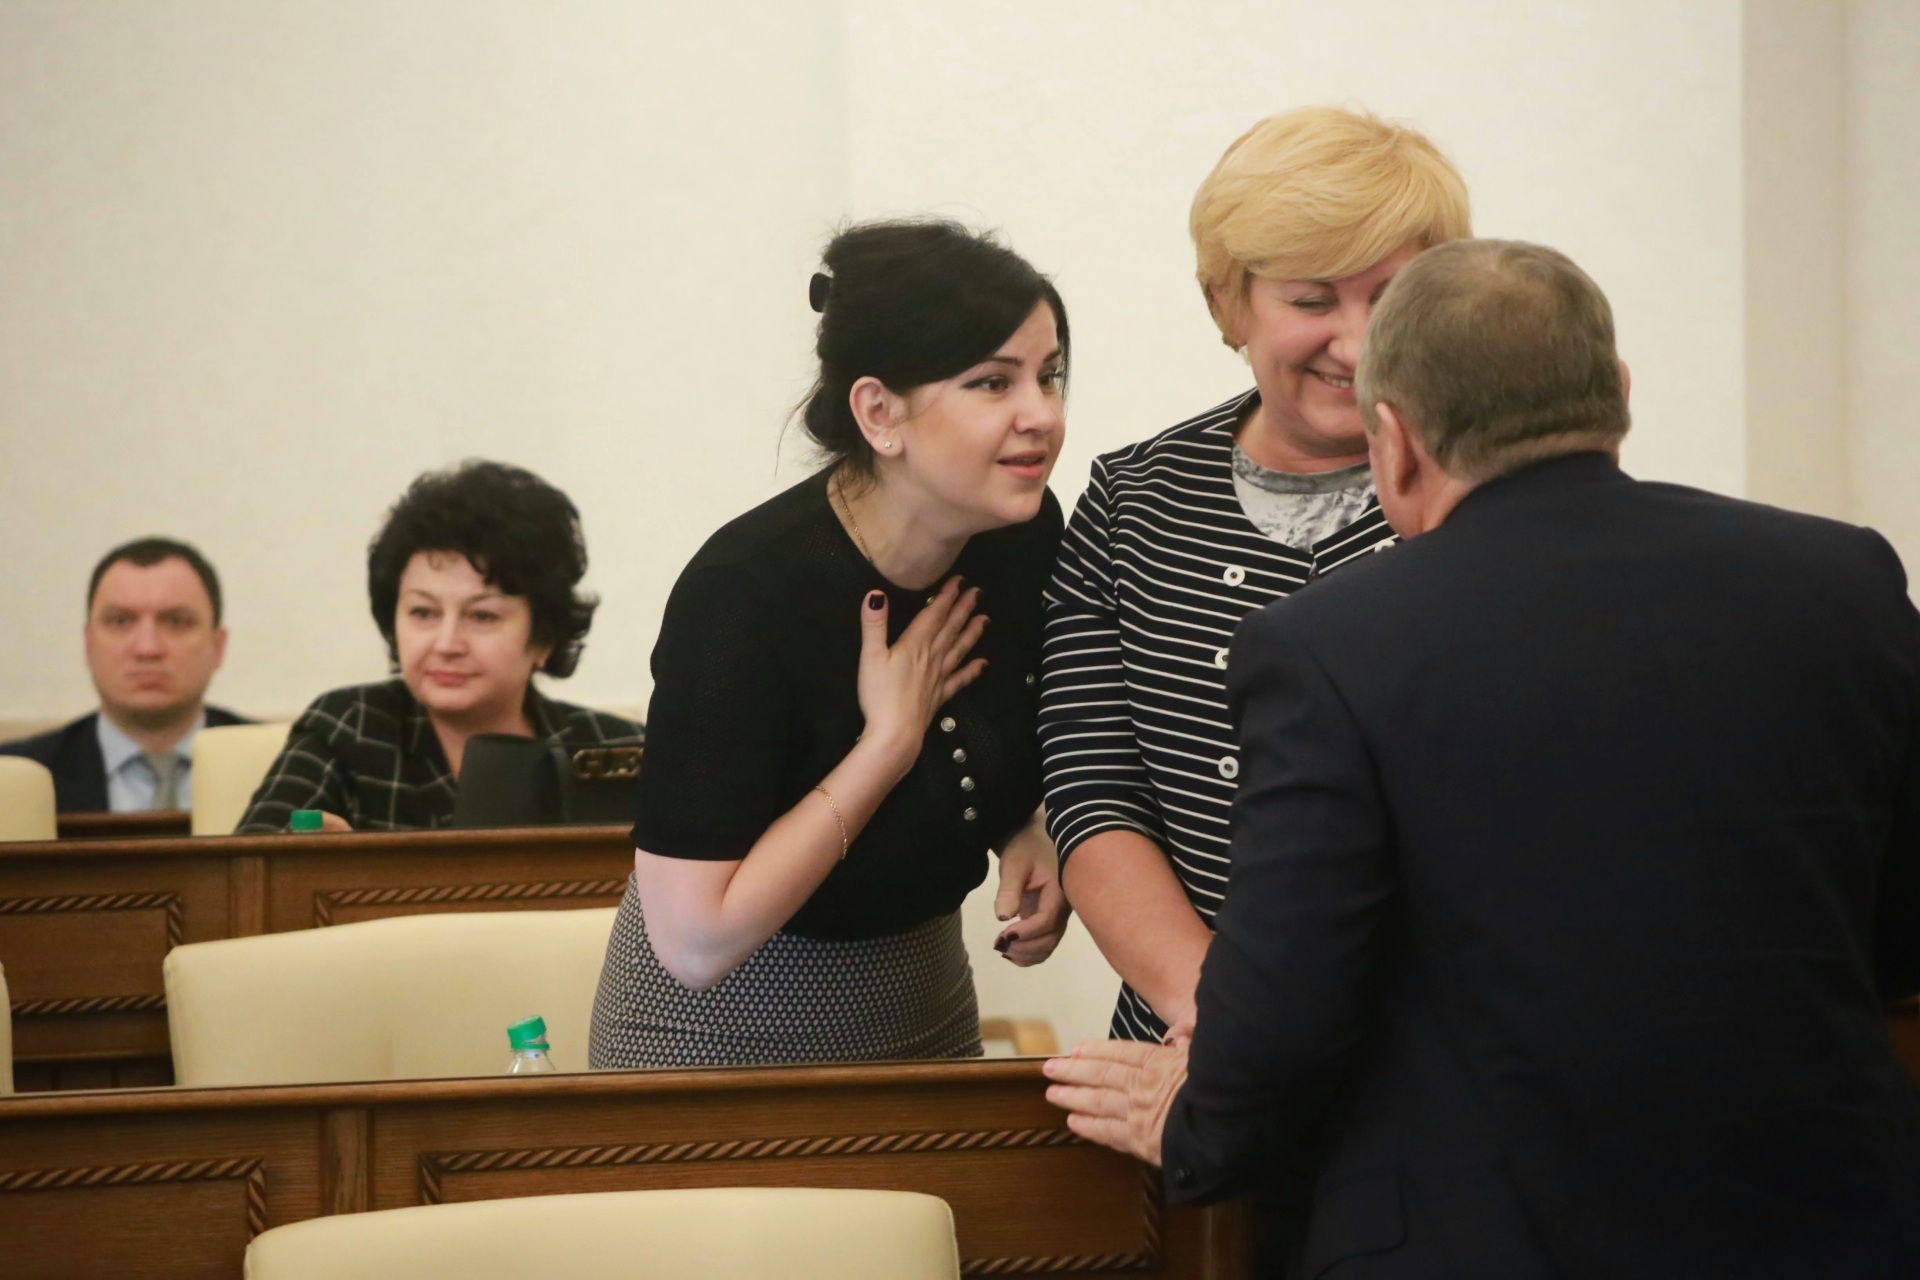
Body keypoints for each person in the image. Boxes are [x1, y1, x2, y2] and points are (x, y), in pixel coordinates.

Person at [1044, 240, 1920, 1276]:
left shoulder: (1333, 646)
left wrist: (1200, 1123)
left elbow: (1292, 992)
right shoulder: (1841, 578)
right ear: (1618, 392)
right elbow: (1896, 930)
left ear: (1394, 440)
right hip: (1831, 1223)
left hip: (1486, 1237)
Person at [589, 220, 1073, 1068]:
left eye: (1050, 375)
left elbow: (994, 737)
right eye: (993, 383)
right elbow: (695, 942)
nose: (1041, 415)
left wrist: (1026, 829)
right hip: (709, 1040)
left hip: (921, 1008)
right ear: (880, 412)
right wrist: (887, 743)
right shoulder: (743, 593)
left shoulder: (1019, 536)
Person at [1039, 106, 1470, 1044]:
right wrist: (1224, 1018)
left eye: (1390, 298)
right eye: (1312, 302)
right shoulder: (1134, 499)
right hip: (1183, 1046)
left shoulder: (1492, 496)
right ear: (1227, 304)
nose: (1357, 343)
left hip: (1430, 1059)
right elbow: (1093, 786)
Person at [237, 460, 641, 833]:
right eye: (423, 612)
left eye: (482, 616)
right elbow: (246, 870)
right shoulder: (348, 728)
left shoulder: (613, 750)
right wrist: (311, 864)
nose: (447, 644)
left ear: (543, 638)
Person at [1, 537, 249, 813]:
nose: (147, 648)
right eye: (120, 621)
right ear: (88, 644)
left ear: (218, 646)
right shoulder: (12, 779)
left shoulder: (278, 767)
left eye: (176, 621)